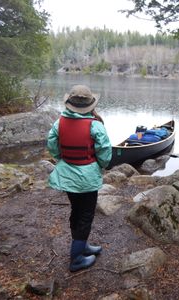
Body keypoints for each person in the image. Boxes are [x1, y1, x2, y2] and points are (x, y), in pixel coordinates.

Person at [47, 85, 112, 272]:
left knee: (77, 211)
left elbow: (51, 143)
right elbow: (105, 152)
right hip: (88, 178)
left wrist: (61, 158)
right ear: (90, 105)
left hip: (67, 176)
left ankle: (82, 246)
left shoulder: (59, 122)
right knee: (85, 215)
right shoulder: (95, 125)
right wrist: (100, 165)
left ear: (70, 104)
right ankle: (76, 259)